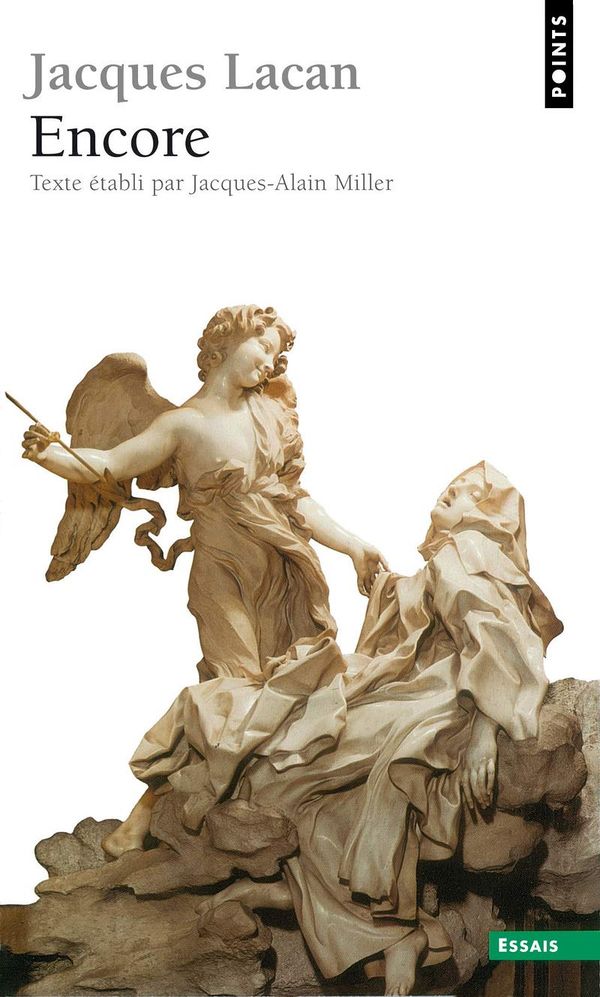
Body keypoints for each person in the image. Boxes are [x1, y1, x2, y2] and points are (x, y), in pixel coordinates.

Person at [21, 304, 388, 854]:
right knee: (233, 695)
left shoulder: (270, 418)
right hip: (222, 571)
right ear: (225, 342)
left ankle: (220, 818)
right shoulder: (180, 424)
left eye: (277, 356)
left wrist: (353, 545)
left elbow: (295, 502)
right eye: (263, 346)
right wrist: (54, 455)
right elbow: (111, 463)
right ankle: (155, 815)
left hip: (284, 574)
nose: (271, 363)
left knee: (285, 699)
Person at [189, 462, 562, 996]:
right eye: (450, 485)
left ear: (487, 517)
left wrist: (485, 727)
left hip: (436, 700)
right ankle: (392, 935)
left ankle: (386, 933)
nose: (450, 490)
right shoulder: (451, 559)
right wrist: (380, 581)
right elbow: (426, 622)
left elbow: (494, 635)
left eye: (467, 493)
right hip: (412, 693)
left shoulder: (467, 552)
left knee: (294, 764)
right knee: (306, 774)